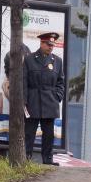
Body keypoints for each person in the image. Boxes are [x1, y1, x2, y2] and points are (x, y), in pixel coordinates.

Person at [24, 32, 64, 166]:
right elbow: (23, 82)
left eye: (52, 45)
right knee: (29, 133)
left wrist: (57, 96)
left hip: (50, 102)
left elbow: (61, 82)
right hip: (33, 101)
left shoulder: (57, 61)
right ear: (41, 43)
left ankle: (48, 160)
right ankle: (26, 159)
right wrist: (24, 100)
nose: (51, 47)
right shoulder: (29, 59)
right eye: (48, 44)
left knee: (48, 135)